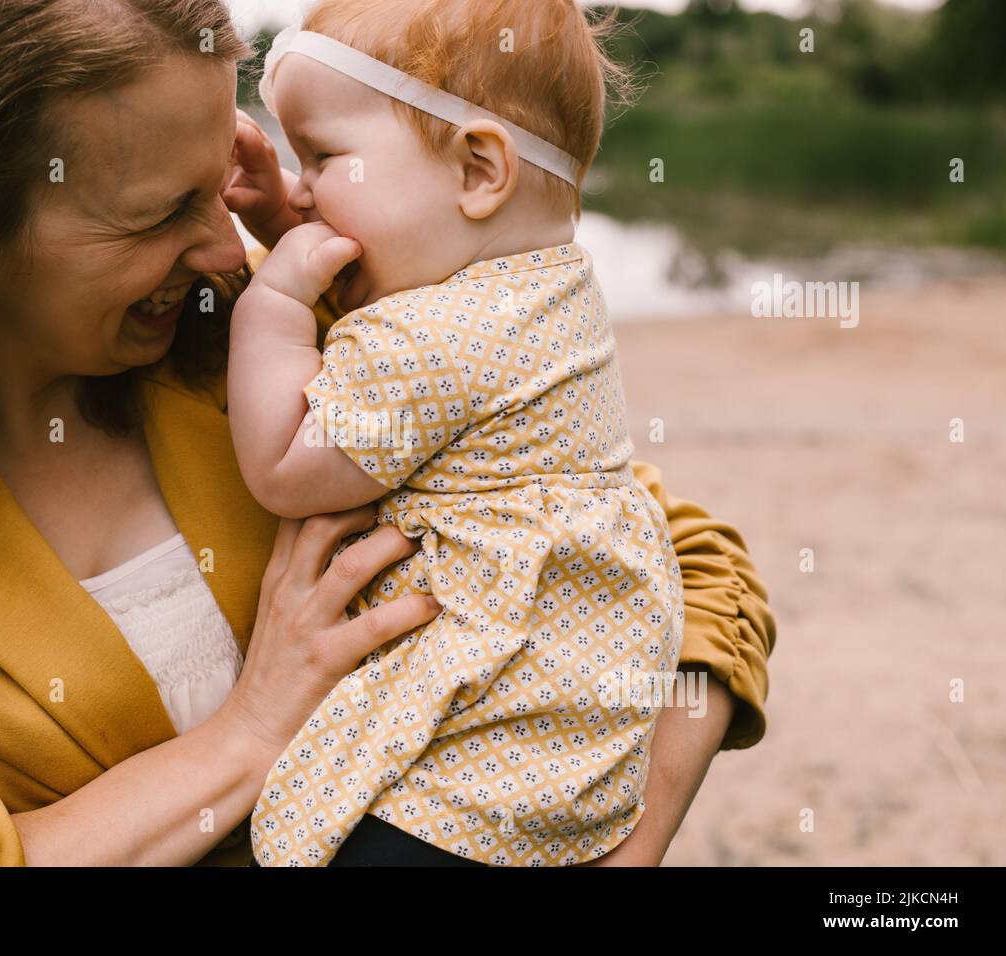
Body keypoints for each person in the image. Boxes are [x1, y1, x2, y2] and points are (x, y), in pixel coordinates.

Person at [0, 0, 774, 866]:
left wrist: (634, 822)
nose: (227, 241)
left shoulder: (262, 343)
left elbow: (683, 556)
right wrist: (245, 739)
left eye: (220, 181)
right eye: (159, 211)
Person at [229, 1, 686, 866]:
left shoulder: (428, 340)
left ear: (480, 169)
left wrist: (277, 304)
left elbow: (288, 466)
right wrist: (304, 233)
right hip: (574, 710)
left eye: (323, 157)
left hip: (473, 748)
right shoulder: (548, 288)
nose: (299, 189)